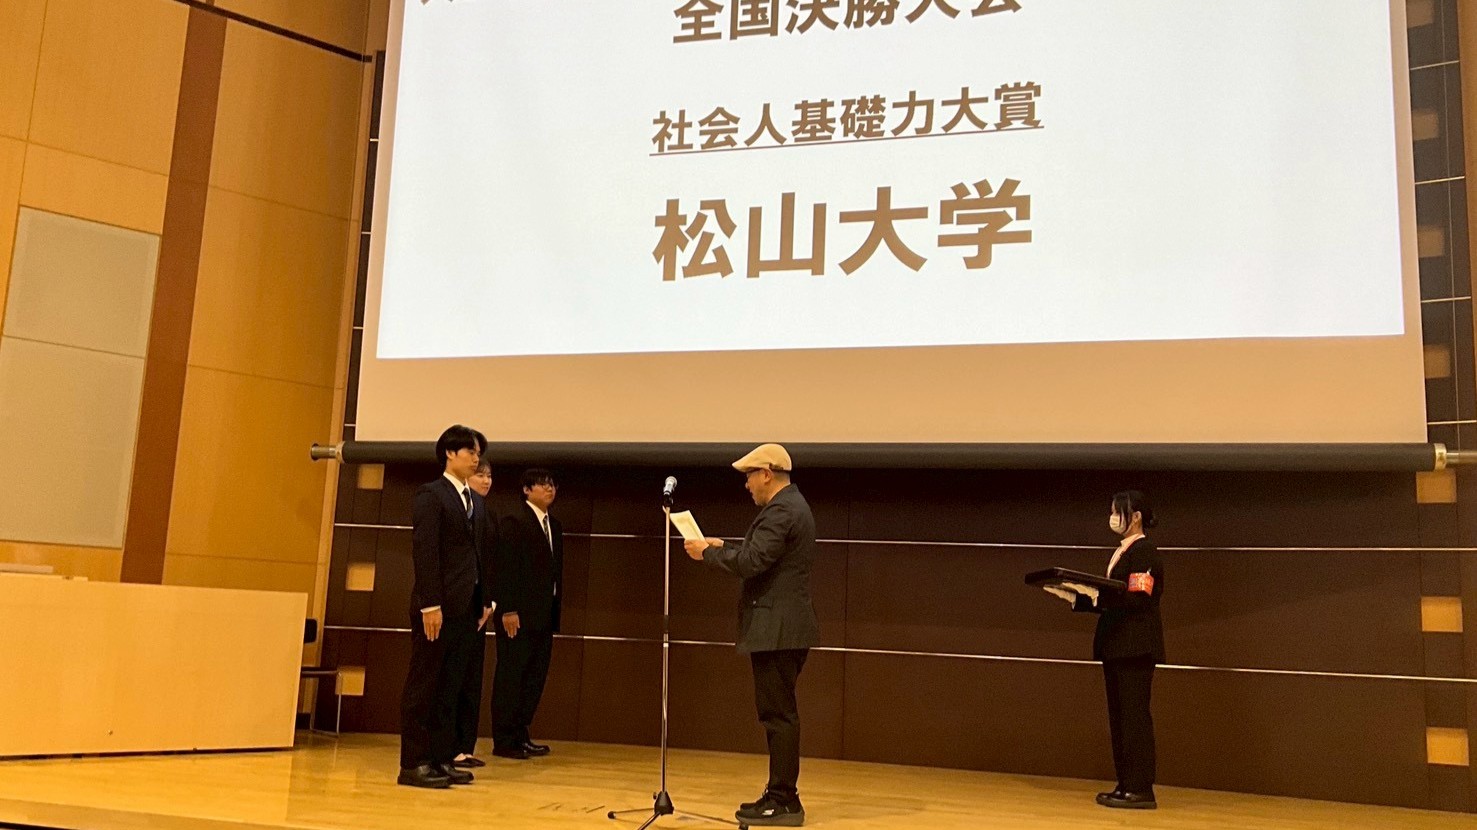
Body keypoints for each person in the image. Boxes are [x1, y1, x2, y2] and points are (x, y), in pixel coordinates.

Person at [685, 443, 819, 827]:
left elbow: (753, 561)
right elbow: (762, 553)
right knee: (778, 714)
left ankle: (784, 800)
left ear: (766, 474)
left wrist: (708, 554)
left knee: (778, 716)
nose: (746, 485)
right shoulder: (791, 506)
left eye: (749, 477)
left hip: (778, 630)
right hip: (783, 628)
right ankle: (780, 795)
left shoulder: (782, 510)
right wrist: (722, 546)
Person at [1044, 490, 1165, 809]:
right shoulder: (1124, 551)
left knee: (1134, 719)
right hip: (1118, 646)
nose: (1112, 517)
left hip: (1135, 648)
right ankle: (1126, 784)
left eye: (1117, 511)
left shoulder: (1144, 551)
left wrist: (1096, 593)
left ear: (1135, 516)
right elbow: (1114, 601)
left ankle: (1140, 788)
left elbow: (1136, 598)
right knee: (1121, 718)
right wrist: (1076, 597)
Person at [398, 425, 495, 788]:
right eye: (470, 451)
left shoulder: (476, 502)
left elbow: (479, 555)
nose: (476, 458)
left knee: (451, 687)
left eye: (478, 453)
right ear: (450, 454)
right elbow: (425, 551)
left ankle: (442, 757)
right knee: (424, 685)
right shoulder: (431, 494)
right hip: (437, 608)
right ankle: (413, 763)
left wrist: (484, 601)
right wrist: (430, 604)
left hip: (467, 609)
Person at [490, 468, 563, 759]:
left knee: (534, 677)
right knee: (512, 675)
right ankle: (504, 740)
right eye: (543, 484)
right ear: (526, 490)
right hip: (517, 615)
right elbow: (505, 567)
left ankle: (521, 734)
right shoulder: (514, 521)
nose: (549, 489)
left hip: (543, 615)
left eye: (552, 484)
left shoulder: (553, 525)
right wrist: (508, 608)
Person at [450, 457, 498, 769]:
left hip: (479, 608)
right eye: (481, 475)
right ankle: (449, 747)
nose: (486, 481)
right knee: (453, 678)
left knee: (471, 679)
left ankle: (465, 746)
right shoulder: (455, 508)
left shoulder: (486, 513)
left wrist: (490, 603)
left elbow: (492, 563)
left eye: (489, 476)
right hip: (457, 605)